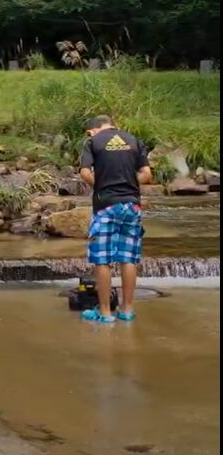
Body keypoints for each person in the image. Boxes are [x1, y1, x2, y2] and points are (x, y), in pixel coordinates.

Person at [79, 115, 152, 324]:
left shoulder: (92, 142)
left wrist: (102, 185)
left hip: (106, 206)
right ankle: (127, 310)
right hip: (132, 205)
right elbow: (146, 174)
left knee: (102, 259)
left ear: (92, 130)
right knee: (128, 258)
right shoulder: (133, 139)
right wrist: (127, 183)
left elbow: (85, 173)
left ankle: (104, 312)